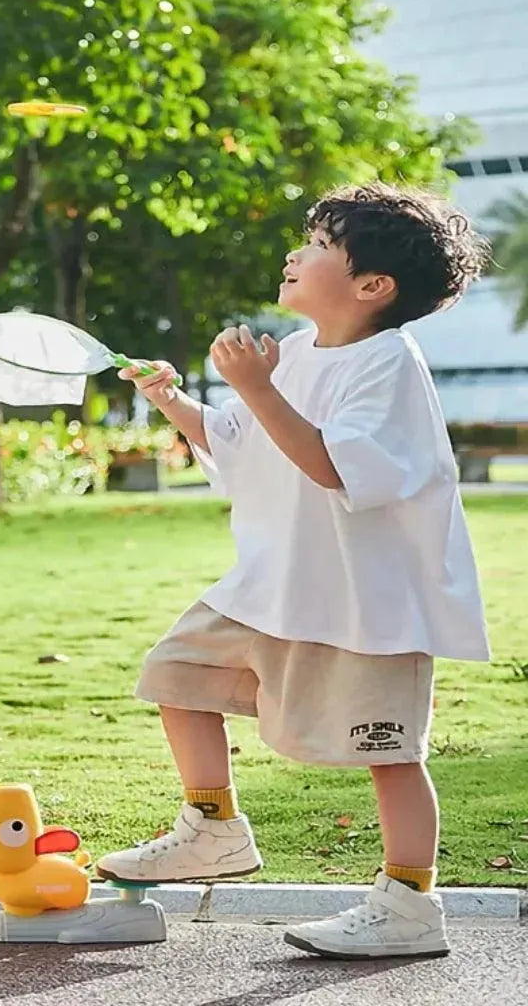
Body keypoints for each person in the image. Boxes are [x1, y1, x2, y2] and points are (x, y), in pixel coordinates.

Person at [97, 183, 490, 960]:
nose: (294, 253)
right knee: (174, 677)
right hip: (271, 586)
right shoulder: (300, 351)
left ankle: (411, 903)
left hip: (366, 607)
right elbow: (241, 443)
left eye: (317, 244)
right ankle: (212, 830)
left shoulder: (387, 365)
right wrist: (171, 399)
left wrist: (253, 384)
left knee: (390, 754)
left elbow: (331, 466)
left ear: (373, 286)